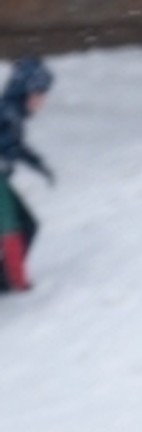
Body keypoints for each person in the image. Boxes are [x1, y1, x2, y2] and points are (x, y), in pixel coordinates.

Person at [0, 57, 55, 294]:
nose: (42, 101)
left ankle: (7, 279)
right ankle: (12, 281)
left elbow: (15, 146)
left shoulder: (11, 112)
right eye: (39, 93)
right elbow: (10, 145)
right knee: (18, 227)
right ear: (26, 90)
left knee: (26, 225)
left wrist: (38, 164)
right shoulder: (8, 114)